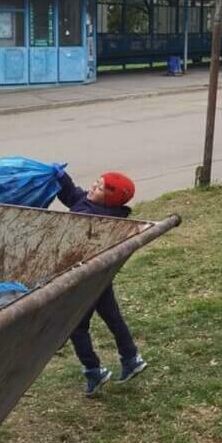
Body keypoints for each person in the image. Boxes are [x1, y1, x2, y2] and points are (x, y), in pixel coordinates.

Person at [56, 168, 147, 395]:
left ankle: (93, 370)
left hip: (85, 280)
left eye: (99, 188)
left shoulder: (95, 218)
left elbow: (75, 208)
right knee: (113, 317)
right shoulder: (95, 206)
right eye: (95, 183)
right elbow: (72, 194)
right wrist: (60, 177)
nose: (92, 188)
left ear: (108, 201)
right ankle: (131, 357)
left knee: (76, 326)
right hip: (100, 277)